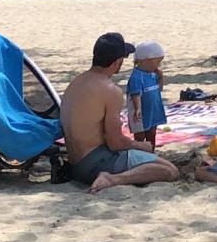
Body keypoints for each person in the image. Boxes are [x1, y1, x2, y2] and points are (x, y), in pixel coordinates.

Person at [61, 33, 179, 192]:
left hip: (76, 164)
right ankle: (112, 179)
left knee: (154, 162)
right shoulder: (110, 91)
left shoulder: (76, 83)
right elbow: (115, 143)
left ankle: (112, 175)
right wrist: (140, 146)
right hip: (96, 163)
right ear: (117, 62)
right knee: (170, 171)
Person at [126, 41, 167, 150]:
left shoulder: (153, 74)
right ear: (146, 61)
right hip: (141, 114)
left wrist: (161, 78)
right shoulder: (137, 76)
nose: (158, 66)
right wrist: (138, 108)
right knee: (140, 136)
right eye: (157, 63)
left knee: (152, 134)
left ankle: (151, 154)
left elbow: (159, 89)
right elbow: (136, 94)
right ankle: (139, 155)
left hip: (153, 111)